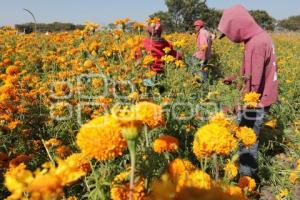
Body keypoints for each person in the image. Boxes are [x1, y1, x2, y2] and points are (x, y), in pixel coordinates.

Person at [218, 5, 278, 180]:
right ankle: (247, 176)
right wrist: (234, 77)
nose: (229, 38)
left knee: (247, 141)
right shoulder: (260, 38)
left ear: (238, 26)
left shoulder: (255, 44)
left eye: (229, 34)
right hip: (261, 99)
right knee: (248, 139)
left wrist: (234, 106)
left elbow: (253, 84)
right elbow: (251, 73)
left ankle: (246, 181)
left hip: (254, 103)